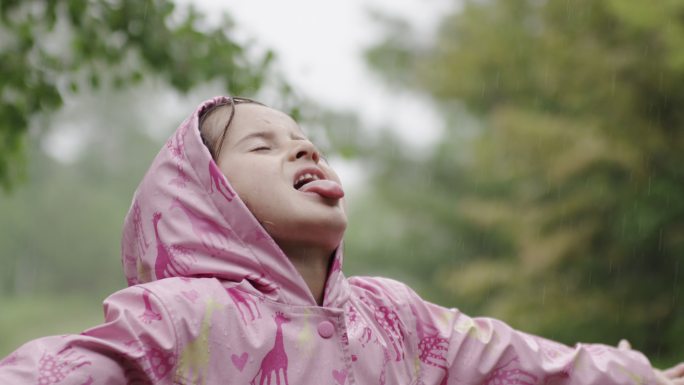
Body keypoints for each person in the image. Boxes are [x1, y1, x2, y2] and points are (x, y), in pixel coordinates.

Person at [0, 95, 682, 385]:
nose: (303, 153)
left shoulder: (396, 318)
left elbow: (526, 363)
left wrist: (647, 376)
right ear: (207, 200)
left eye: (307, 144)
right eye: (264, 145)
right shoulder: (184, 314)